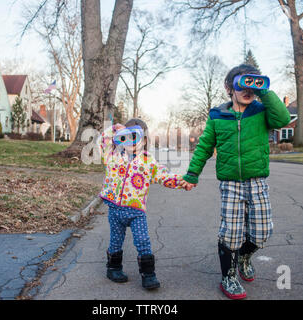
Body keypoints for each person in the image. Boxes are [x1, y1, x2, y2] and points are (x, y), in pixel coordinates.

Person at [181, 64, 290, 299]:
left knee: (262, 232)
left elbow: (282, 119)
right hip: (231, 184)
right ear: (230, 87)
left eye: (254, 82)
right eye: (244, 82)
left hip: (257, 181)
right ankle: (228, 277)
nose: (249, 88)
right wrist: (192, 174)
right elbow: (204, 148)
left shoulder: (261, 111)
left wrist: (265, 91)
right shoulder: (217, 116)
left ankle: (244, 256)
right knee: (231, 232)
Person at [98, 118, 186, 290]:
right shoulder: (112, 156)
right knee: (116, 241)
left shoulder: (148, 161)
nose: (129, 141)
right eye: (125, 137)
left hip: (136, 211)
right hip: (115, 210)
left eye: (135, 136)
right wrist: (116, 128)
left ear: (144, 140)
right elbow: (102, 141)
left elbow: (164, 176)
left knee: (143, 241)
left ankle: (148, 274)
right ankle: (113, 268)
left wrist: (182, 181)